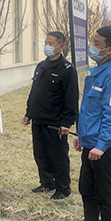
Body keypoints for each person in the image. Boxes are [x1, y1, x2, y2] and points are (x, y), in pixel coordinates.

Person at [64, 26, 111, 221]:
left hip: (105, 149)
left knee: (106, 195)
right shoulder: (96, 72)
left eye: (97, 43)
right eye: (93, 40)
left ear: (109, 50)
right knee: (86, 188)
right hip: (90, 144)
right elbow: (90, 111)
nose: (92, 46)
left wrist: (101, 146)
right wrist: (82, 137)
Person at [23, 31, 78, 200]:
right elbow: (34, 91)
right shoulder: (42, 66)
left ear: (60, 47)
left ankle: (63, 188)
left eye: (51, 43)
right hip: (38, 119)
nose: (47, 46)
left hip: (55, 122)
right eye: (46, 42)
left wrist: (66, 122)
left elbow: (71, 98)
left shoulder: (67, 69)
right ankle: (47, 182)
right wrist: (28, 113)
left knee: (58, 156)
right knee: (40, 154)